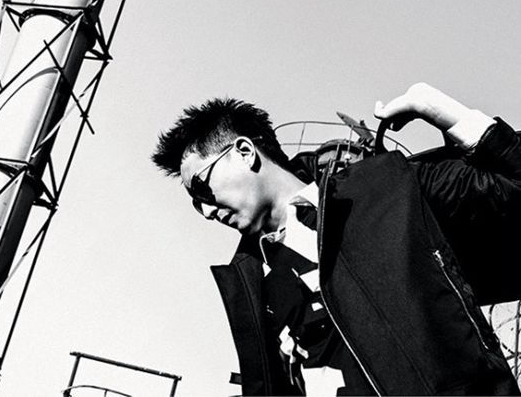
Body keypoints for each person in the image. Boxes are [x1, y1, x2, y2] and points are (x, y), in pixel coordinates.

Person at [152, 82, 521, 396]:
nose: (207, 210)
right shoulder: (253, 287)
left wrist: (438, 108)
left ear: (245, 152)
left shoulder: (390, 189)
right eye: (195, 204)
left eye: (201, 188)